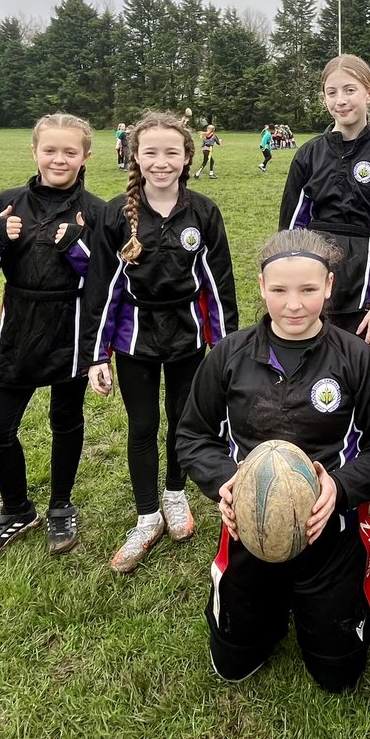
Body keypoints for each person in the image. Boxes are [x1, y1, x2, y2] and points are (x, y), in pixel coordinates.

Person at [177, 228, 370, 693]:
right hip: (248, 527)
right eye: (279, 290)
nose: (294, 304)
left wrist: (338, 489)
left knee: (338, 674)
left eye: (307, 289)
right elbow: (193, 435)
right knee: (232, 663)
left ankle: (336, 585)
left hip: (329, 526)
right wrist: (226, 483)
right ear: (261, 287)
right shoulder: (229, 355)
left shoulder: (356, 358)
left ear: (328, 286)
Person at [82, 110, 238, 573]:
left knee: (182, 421)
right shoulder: (115, 213)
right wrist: (97, 354)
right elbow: (100, 289)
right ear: (135, 155)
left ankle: (175, 495)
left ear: (188, 156)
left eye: (172, 151)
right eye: (151, 152)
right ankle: (147, 516)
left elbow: (219, 283)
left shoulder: (203, 212)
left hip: (189, 336)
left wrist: (226, 349)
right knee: (143, 424)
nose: (161, 161)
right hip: (135, 339)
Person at [0, 113, 105, 560]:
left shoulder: (100, 211)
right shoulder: (6, 205)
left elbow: (109, 279)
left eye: (69, 151)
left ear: (85, 155)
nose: (58, 159)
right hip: (21, 327)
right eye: (50, 149)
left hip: (73, 327)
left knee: (66, 419)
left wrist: (77, 245)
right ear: (34, 151)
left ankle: (61, 504)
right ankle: (16, 509)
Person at [279, 54, 370, 346]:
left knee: (353, 369)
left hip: (361, 285)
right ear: (323, 98)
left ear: (369, 94)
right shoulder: (308, 154)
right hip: (314, 277)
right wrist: (289, 285)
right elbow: (291, 227)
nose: (341, 100)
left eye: (350, 90)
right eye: (332, 92)